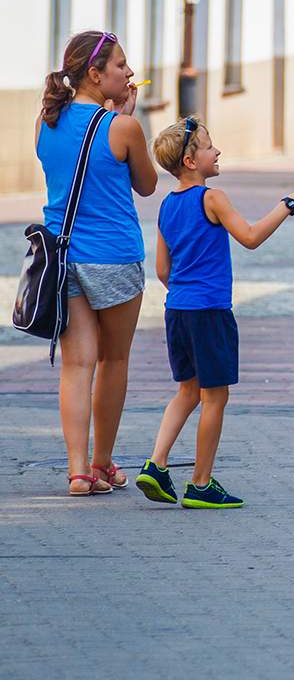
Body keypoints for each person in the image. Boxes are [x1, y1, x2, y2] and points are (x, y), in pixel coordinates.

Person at [134, 119, 294, 509]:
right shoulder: (212, 198)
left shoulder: (168, 204)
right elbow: (249, 237)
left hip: (177, 309)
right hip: (209, 311)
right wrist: (288, 205)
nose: (216, 152)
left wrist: (186, 292)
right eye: (208, 147)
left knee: (187, 391)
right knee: (214, 396)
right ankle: (201, 483)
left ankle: (157, 462)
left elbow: (163, 270)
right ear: (190, 160)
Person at [36, 30, 158, 497]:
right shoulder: (123, 127)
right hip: (113, 257)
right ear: (95, 73)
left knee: (77, 365)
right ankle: (103, 461)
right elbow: (146, 185)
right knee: (114, 359)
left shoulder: (45, 122)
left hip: (62, 257)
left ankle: (77, 471)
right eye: (121, 65)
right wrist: (124, 119)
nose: (129, 73)